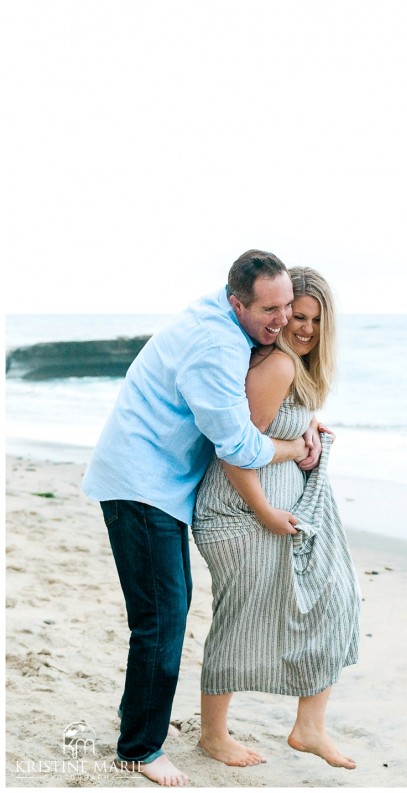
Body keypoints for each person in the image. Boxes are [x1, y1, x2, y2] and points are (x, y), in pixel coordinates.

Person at [82, 250, 322, 787]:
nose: (282, 320)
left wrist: (304, 418)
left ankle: (135, 719)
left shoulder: (224, 317)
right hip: (141, 485)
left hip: (152, 481)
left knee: (164, 611)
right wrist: (293, 445)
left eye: (287, 305)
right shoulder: (215, 346)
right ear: (236, 302)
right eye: (271, 310)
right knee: (162, 618)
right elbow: (238, 445)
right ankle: (140, 749)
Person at [192, 267, 362, 770]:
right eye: (296, 315)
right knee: (242, 616)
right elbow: (233, 453)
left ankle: (309, 727)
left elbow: (267, 423)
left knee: (336, 598)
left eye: (315, 318)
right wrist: (265, 510)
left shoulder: (294, 368)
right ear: (281, 314)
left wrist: (307, 422)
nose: (305, 327)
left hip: (268, 512)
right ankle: (212, 735)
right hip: (238, 512)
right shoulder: (277, 366)